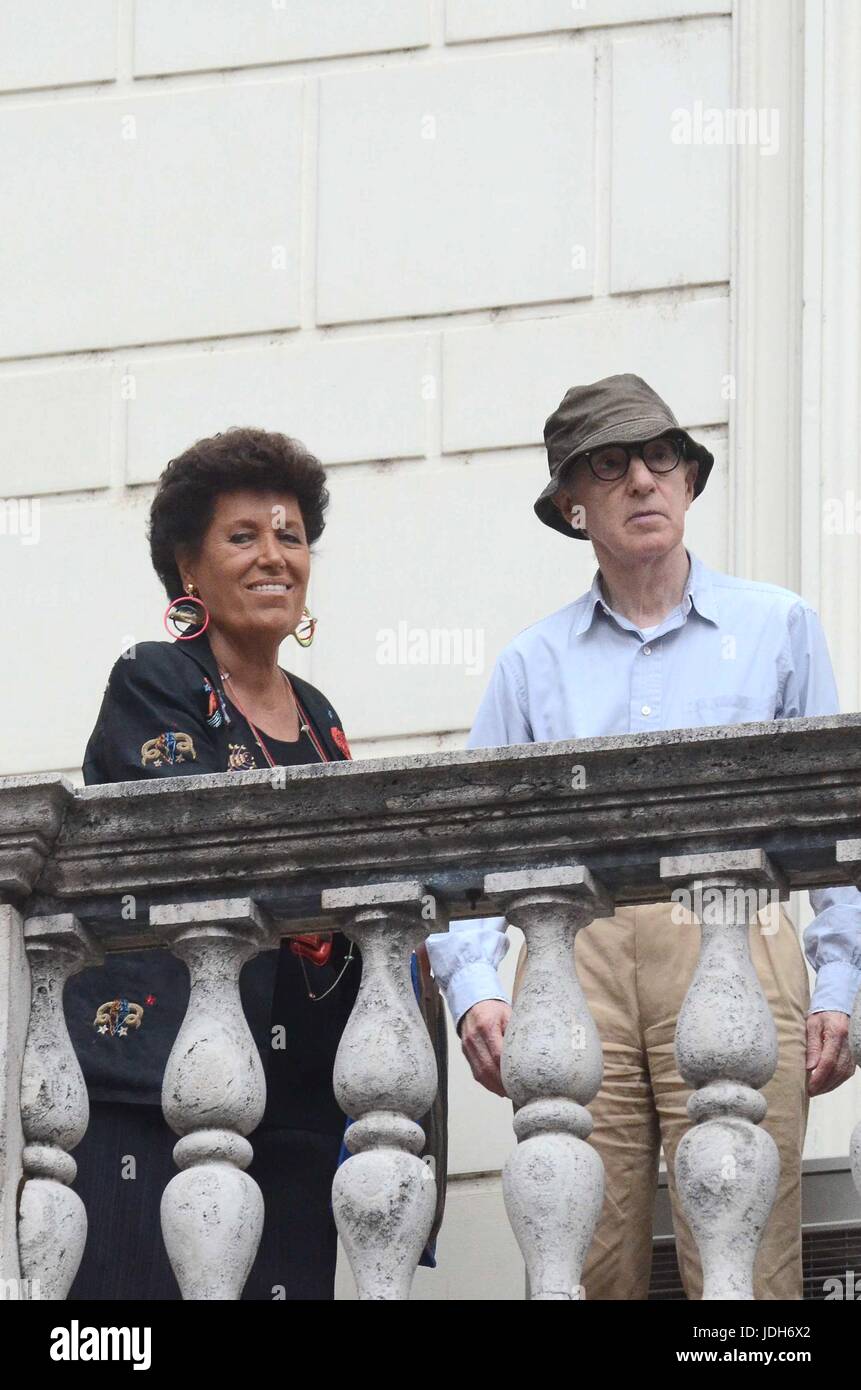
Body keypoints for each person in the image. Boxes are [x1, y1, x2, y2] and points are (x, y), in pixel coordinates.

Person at [426, 373, 861, 1300]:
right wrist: (470, 986)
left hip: (742, 935)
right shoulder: (530, 663)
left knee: (750, 1261)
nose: (641, 482)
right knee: (583, 1259)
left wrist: (841, 979)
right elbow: (464, 844)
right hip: (576, 961)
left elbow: (836, 829)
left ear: (690, 482)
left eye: (660, 458)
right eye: (609, 465)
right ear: (572, 505)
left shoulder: (777, 627)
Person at [65, 426, 445, 1300]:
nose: (275, 556)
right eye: (244, 536)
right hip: (156, 1086)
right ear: (187, 567)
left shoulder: (318, 715)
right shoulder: (155, 678)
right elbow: (199, 844)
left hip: (300, 1099)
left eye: (291, 536)